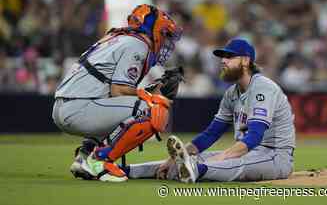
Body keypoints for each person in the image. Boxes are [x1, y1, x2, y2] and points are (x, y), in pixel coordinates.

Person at [122, 38, 295, 183]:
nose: (223, 61)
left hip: (274, 155)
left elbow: (255, 137)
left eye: (229, 56)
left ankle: (196, 169)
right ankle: (126, 170)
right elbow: (211, 134)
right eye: (222, 57)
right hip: (245, 152)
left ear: (245, 60)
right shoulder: (231, 93)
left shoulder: (263, 88)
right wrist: (173, 159)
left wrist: (222, 157)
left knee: (234, 165)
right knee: (182, 163)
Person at [52, 4, 182, 182]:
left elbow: (112, 92)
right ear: (153, 29)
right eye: (165, 34)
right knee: (153, 110)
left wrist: (147, 91)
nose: (166, 41)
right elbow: (119, 91)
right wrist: (151, 96)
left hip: (68, 106)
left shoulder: (119, 37)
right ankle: (100, 161)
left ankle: (85, 156)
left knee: (138, 106)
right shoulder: (138, 44)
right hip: (79, 107)